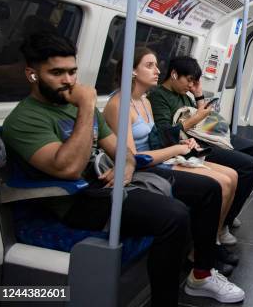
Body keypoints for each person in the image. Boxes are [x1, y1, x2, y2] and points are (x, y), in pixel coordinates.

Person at [1, 32, 244, 305]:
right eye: (57, 73)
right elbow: (68, 168)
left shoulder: (81, 108)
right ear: (32, 74)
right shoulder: (24, 119)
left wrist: (126, 169)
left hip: (105, 184)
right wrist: (86, 106)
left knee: (209, 189)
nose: (68, 81)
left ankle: (201, 275)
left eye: (72, 72)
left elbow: (124, 153)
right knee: (173, 216)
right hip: (73, 200)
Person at [103, 47, 240, 274]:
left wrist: (184, 146)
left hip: (160, 158)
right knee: (220, 184)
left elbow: (156, 140)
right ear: (132, 71)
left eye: (156, 65)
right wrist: (176, 147)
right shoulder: (119, 105)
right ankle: (201, 259)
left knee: (231, 175)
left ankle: (206, 247)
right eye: (149, 65)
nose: (158, 71)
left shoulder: (145, 101)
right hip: (144, 168)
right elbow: (133, 158)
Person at [148, 56, 253, 244]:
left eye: (194, 82)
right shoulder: (158, 96)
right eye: (189, 80)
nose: (191, 85)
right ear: (174, 74)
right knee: (247, 165)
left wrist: (198, 94)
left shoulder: (184, 95)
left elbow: (201, 116)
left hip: (204, 133)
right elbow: (167, 134)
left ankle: (230, 210)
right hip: (190, 142)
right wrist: (197, 117)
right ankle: (223, 223)